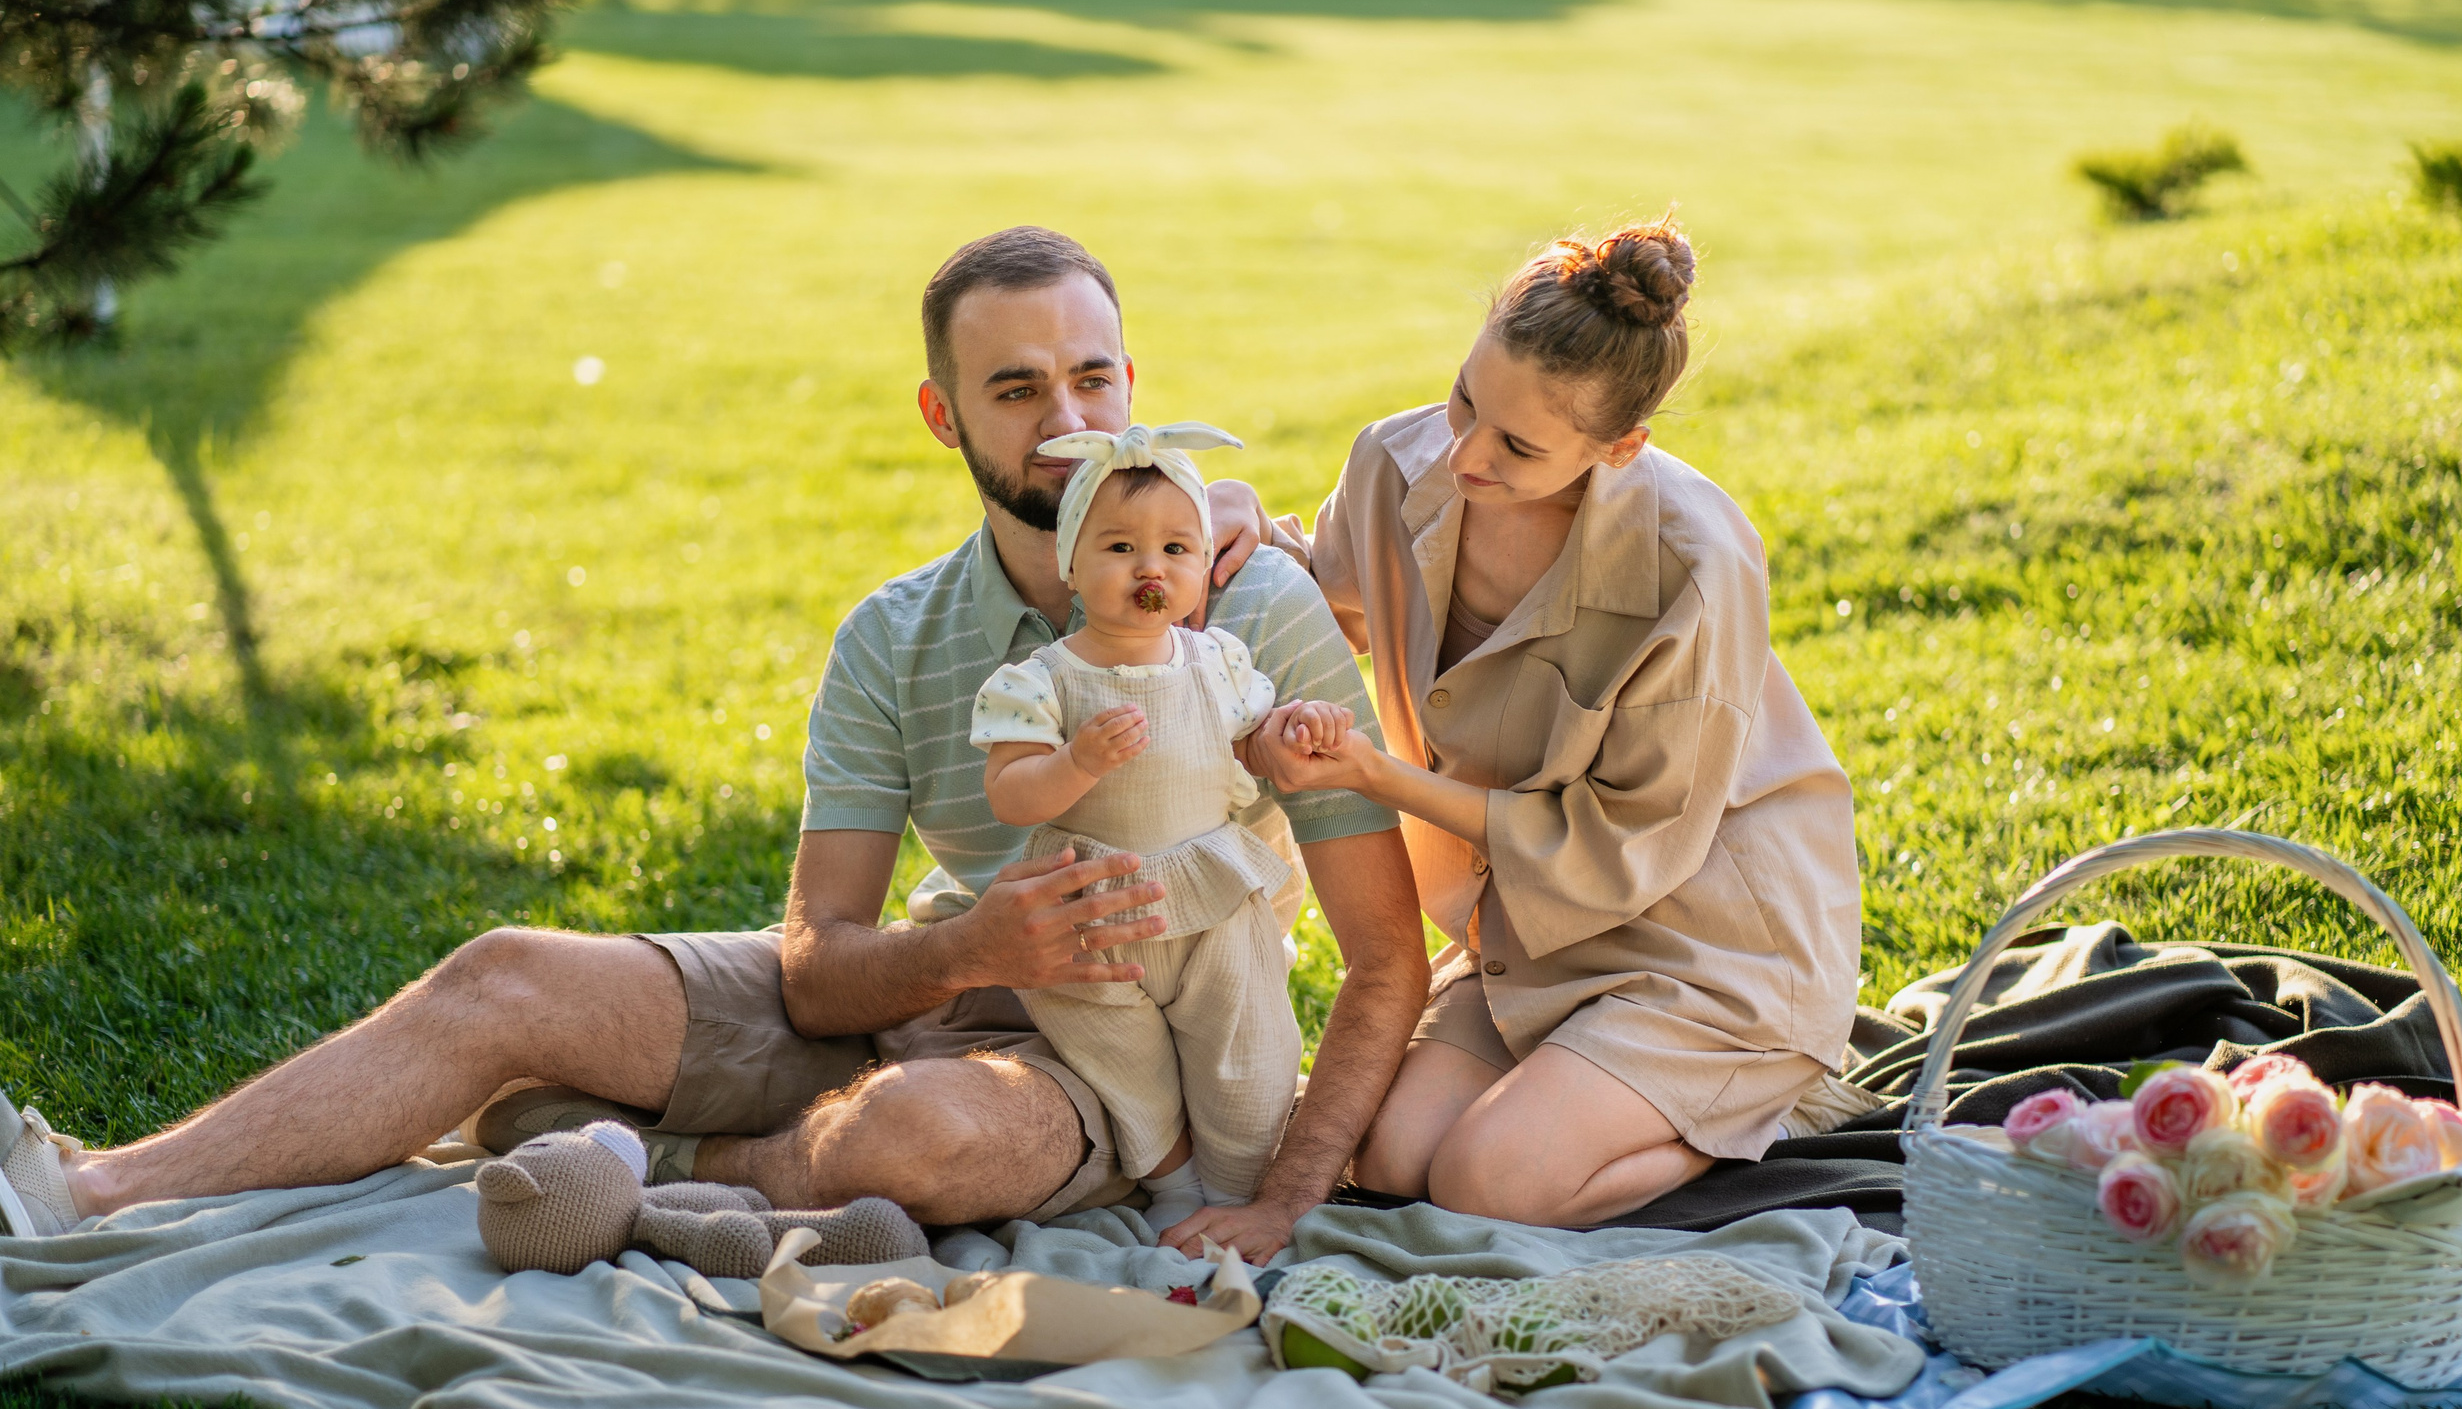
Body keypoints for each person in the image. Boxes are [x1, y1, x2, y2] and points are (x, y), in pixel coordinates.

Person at [0, 227, 1430, 1263]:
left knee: (912, 1139)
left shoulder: (1258, 604)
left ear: (1135, 382)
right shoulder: (895, 633)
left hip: (1102, 1062)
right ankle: (92, 1189)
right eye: (1015, 390)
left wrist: (1284, 1195)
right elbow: (818, 960)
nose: (1068, 424)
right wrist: (966, 948)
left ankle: (630, 1153)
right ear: (944, 415)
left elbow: (1380, 957)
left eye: (1093, 379)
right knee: (504, 972)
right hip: (922, 971)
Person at [1233, 219, 1871, 1228]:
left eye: (1517, 445)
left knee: (1490, 1183)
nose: (1464, 453)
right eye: (1464, 399)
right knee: (1393, 1161)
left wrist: (1380, 779)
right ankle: (1593, 1101)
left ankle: (1761, 1106)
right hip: (1524, 938)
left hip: (1703, 943)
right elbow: (1331, 592)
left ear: (1620, 447)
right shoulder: (1398, 465)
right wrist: (1234, 524)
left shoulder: (1692, 563)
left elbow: (1628, 845)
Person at [974, 426, 1358, 1231]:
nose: (1151, 567)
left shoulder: (1214, 660)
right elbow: (1011, 793)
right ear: (1070, 564)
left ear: (1201, 563)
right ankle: (1177, 1188)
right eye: (1119, 546)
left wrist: (1290, 729)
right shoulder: (1042, 679)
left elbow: (1251, 744)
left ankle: (1240, 1191)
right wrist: (1075, 762)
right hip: (1091, 915)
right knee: (1121, 1060)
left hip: (1209, 893)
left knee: (1247, 1049)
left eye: (1178, 547)